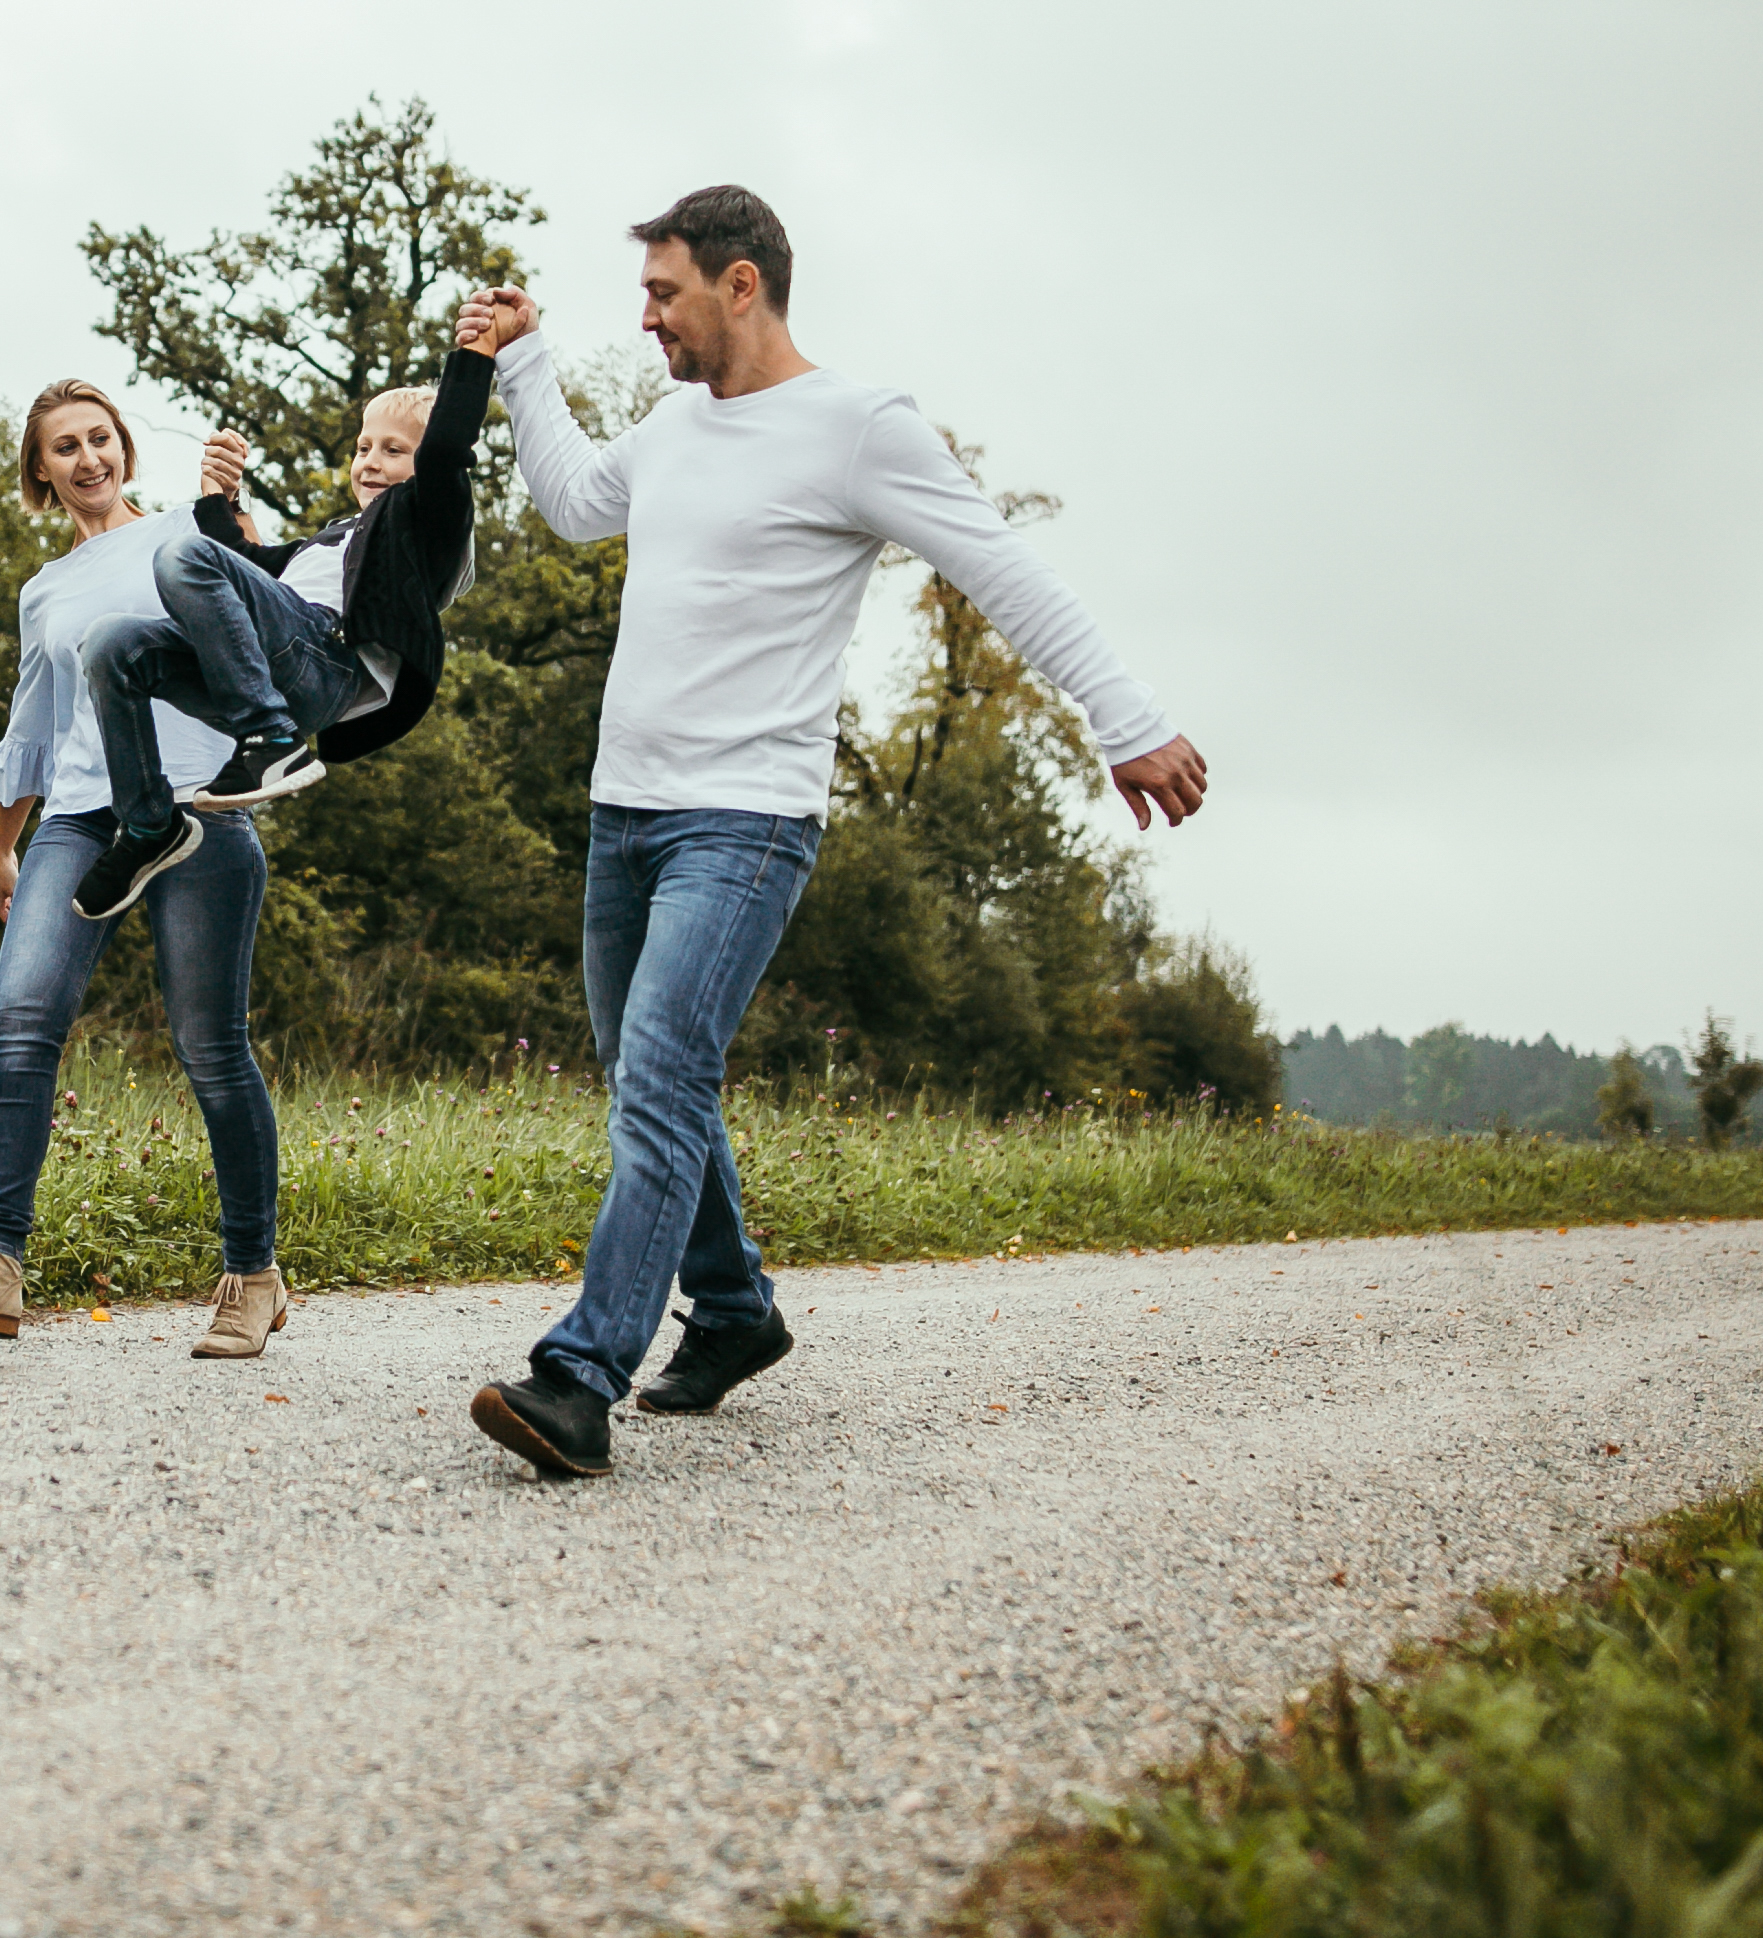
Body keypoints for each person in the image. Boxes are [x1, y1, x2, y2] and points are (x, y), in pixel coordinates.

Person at [458, 187, 1209, 1480]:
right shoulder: (676, 426)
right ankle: (737, 1311)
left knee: (660, 1078)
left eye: (663, 293)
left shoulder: (858, 430)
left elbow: (1003, 569)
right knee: (654, 1074)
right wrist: (523, 362)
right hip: (623, 809)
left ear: (741, 285)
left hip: (744, 821)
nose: (646, 320)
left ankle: (580, 1379)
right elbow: (579, 506)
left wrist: (1124, 718)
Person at [0, 378, 298, 1361]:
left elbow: (255, 613)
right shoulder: (44, 591)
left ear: (123, 449)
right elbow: (33, 724)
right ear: (40, 471)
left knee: (210, 1048)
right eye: (65, 447)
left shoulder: (182, 539)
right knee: (21, 1020)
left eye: (100, 439)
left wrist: (225, 507)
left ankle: (254, 1274)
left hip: (195, 809)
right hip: (77, 817)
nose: (88, 459)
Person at [68, 328, 501, 913]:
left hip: (326, 662)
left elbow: (448, 448)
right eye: (363, 448)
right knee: (110, 643)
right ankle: (149, 827)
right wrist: (223, 499)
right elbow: (247, 567)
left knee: (180, 556)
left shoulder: (423, 526)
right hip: (259, 672)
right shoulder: (328, 541)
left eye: (393, 452)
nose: (370, 463)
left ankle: (273, 740)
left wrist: (476, 354)